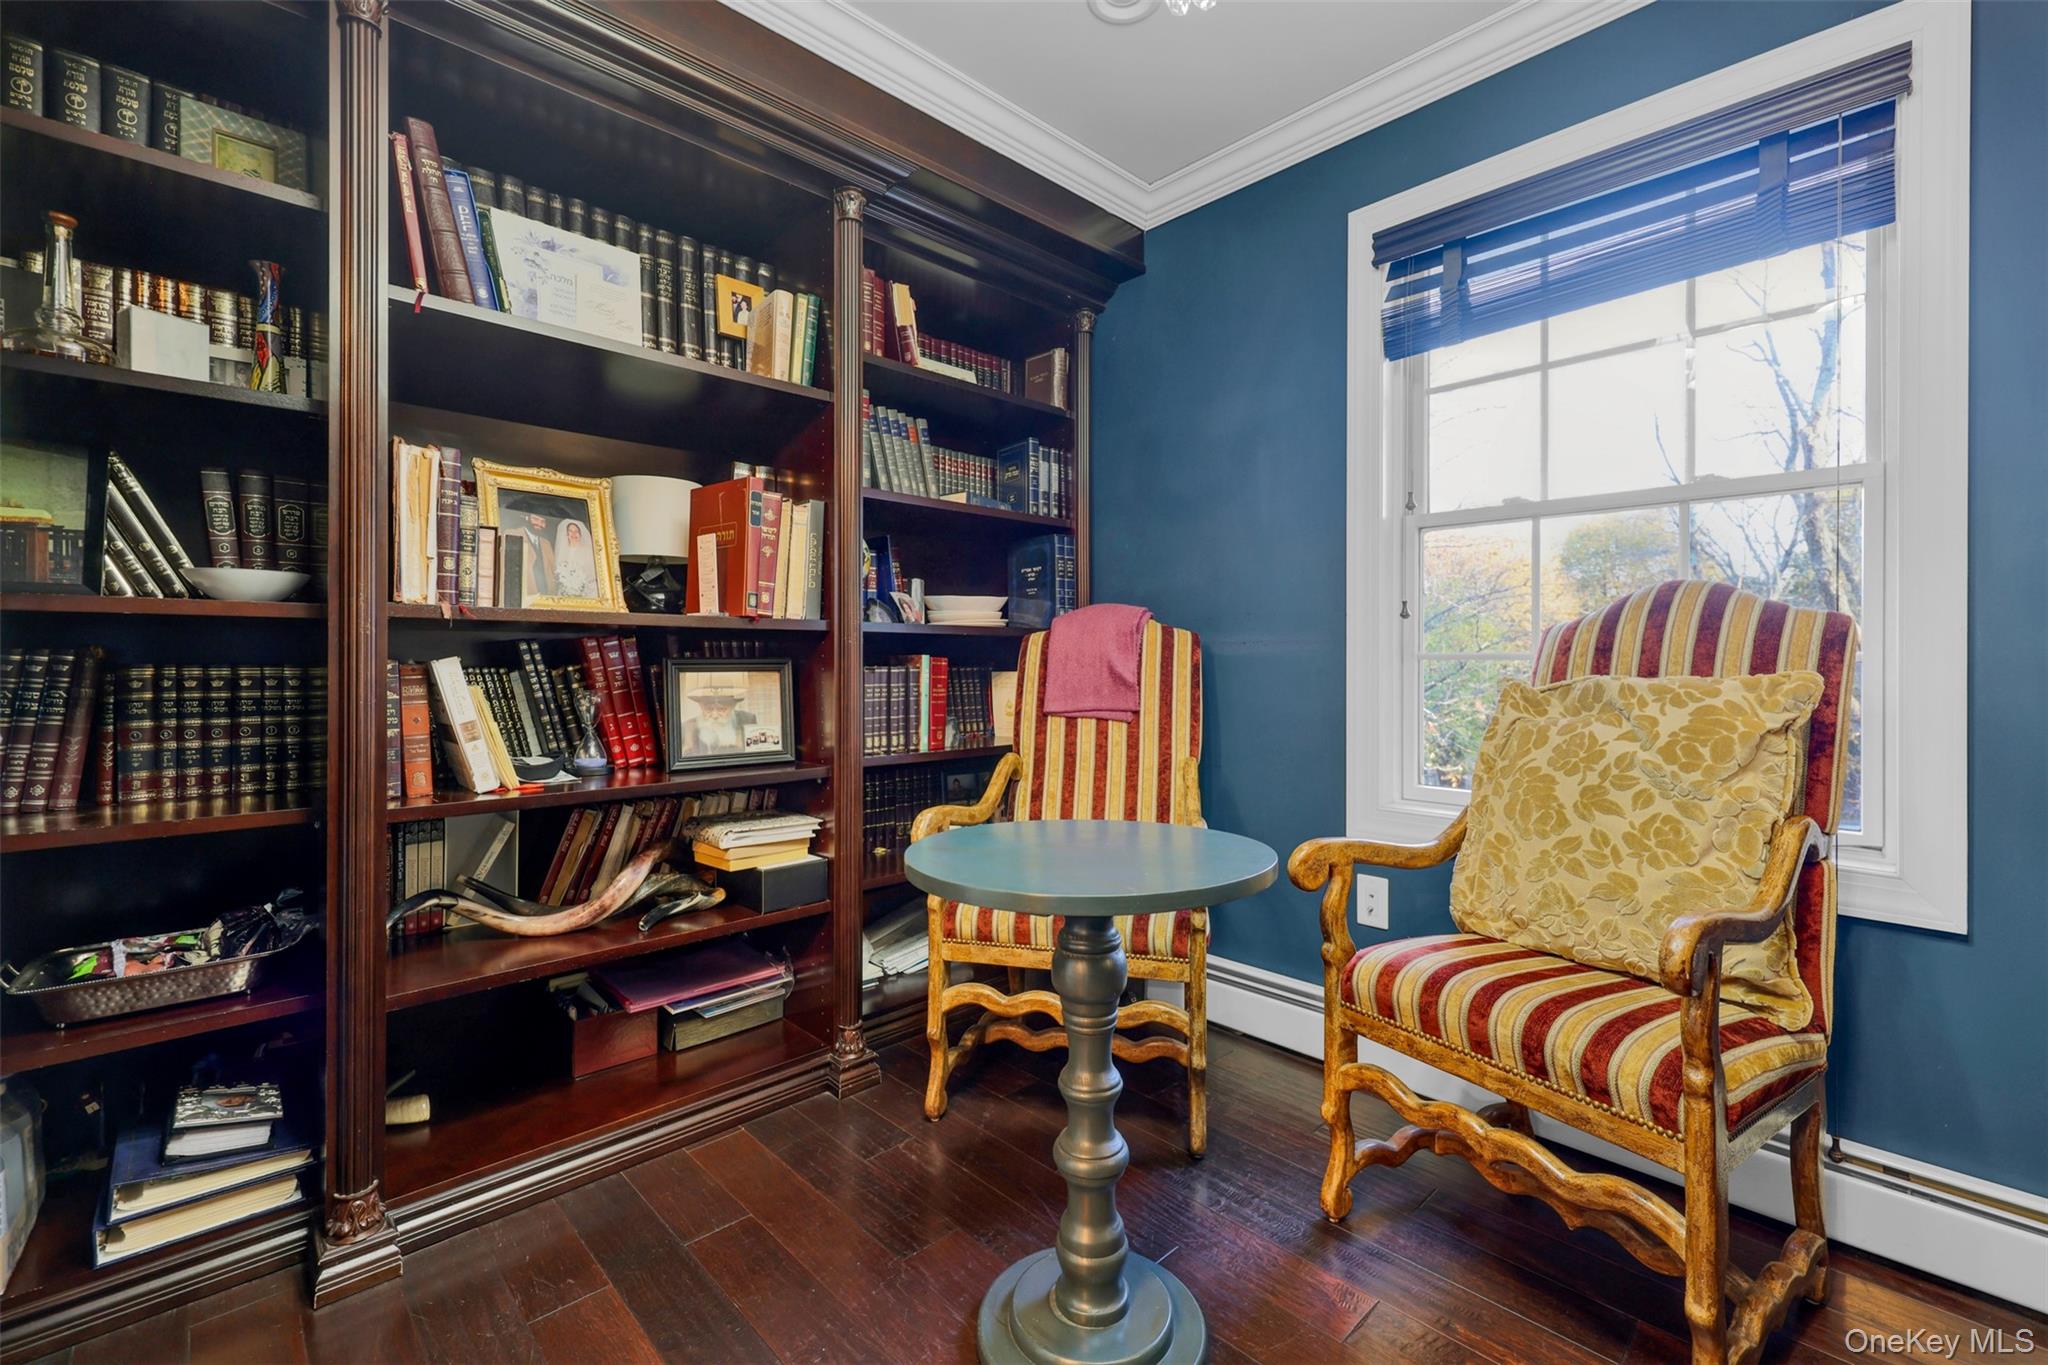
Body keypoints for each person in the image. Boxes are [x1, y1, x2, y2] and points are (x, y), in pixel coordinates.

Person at [678, 684, 757, 757]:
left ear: (733, 706)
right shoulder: (688, 727)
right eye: (709, 709)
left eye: (721, 709)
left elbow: (755, 753)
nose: (715, 715)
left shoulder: (747, 720)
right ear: (701, 706)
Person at [552, 517, 598, 599]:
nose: (574, 534)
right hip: (565, 591)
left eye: (576, 531)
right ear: (566, 533)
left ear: (580, 534)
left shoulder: (588, 551)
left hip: (586, 591)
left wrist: (579, 585)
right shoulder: (561, 551)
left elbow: (592, 575)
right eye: (570, 531)